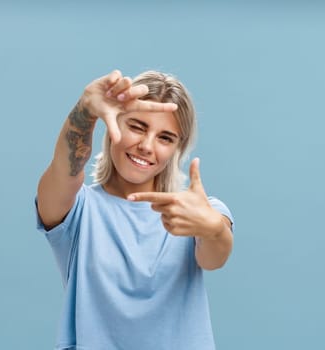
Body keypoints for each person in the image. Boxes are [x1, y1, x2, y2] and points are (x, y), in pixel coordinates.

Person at [34, 69, 235, 350]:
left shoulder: (196, 212)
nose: (146, 146)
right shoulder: (78, 210)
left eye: (165, 138)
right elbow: (64, 169)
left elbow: (215, 256)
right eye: (137, 127)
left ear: (177, 148)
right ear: (114, 122)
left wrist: (213, 228)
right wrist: (85, 110)